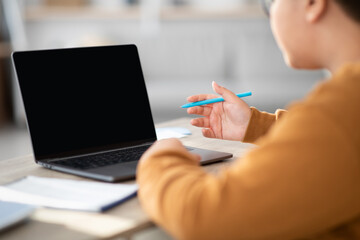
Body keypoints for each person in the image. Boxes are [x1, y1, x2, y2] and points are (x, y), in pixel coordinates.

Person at [136, 0, 360, 239]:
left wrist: (160, 156)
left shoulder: (342, 108)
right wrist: (256, 125)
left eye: (268, 4)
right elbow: (331, 146)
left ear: (312, 4)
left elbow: (205, 217)